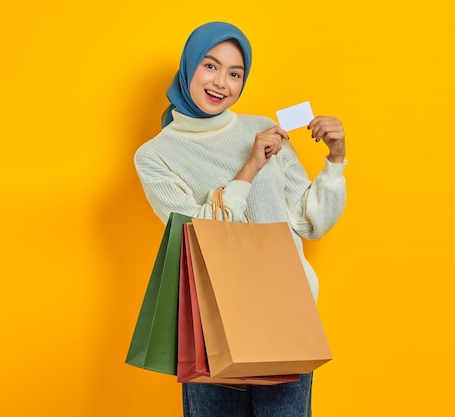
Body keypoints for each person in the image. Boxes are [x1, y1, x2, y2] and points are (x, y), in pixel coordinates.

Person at [134, 21, 347, 417]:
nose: (221, 83)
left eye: (235, 73)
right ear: (189, 67)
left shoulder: (261, 129)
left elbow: (308, 223)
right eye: (210, 66)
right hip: (213, 322)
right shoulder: (156, 155)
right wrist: (248, 169)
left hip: (286, 315)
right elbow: (198, 231)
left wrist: (334, 162)